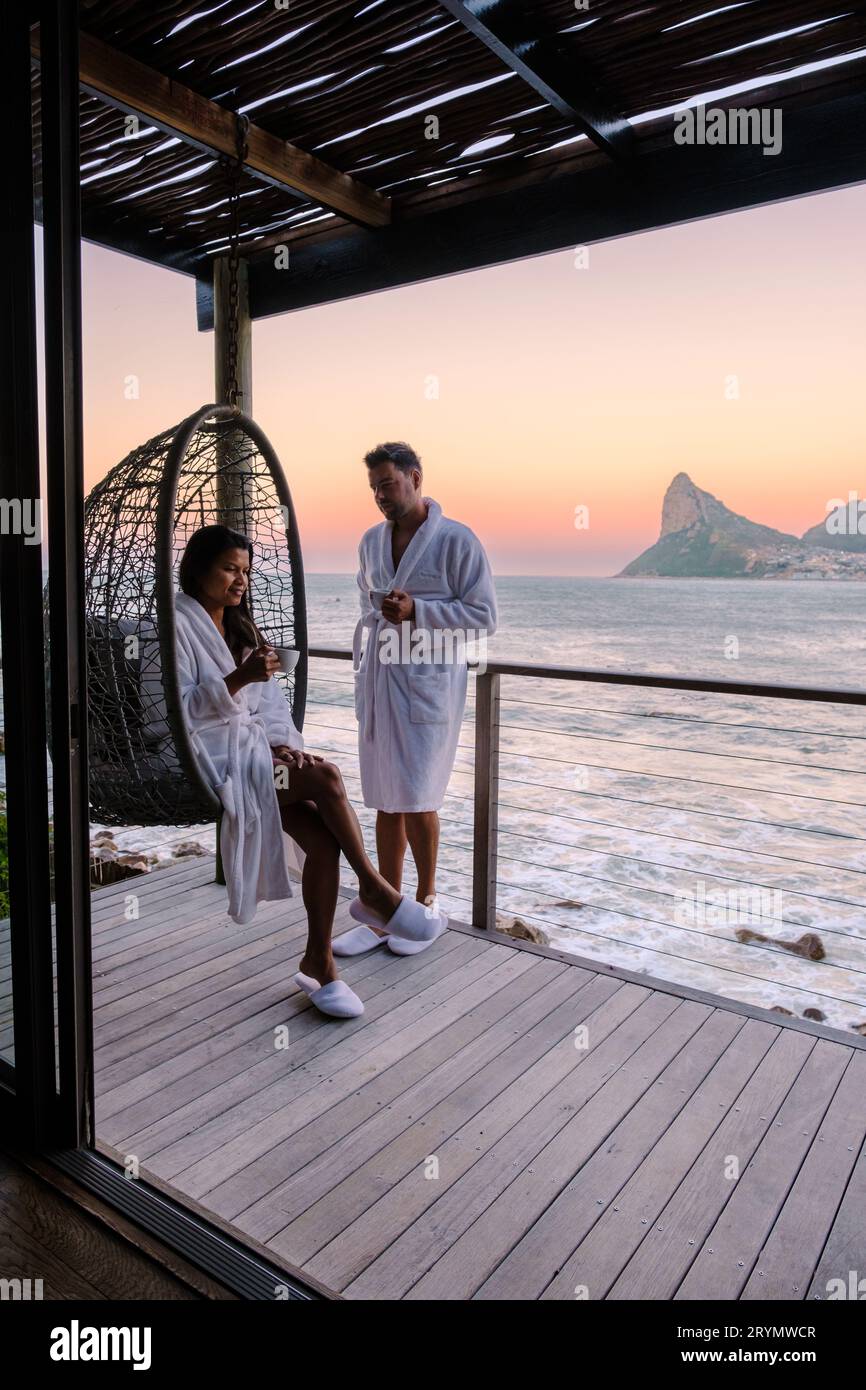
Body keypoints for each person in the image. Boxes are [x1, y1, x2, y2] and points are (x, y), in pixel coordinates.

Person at [172, 524, 440, 1018]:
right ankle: (374, 889)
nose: (240, 581)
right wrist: (237, 679)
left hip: (258, 758)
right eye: (230, 569)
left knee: (320, 836)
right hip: (212, 759)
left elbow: (270, 705)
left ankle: (320, 961)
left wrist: (284, 747)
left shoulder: (240, 628)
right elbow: (174, 712)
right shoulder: (173, 627)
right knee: (328, 779)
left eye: (246, 571)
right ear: (198, 568)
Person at [337, 443, 497, 958]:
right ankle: (388, 910)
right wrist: (385, 613)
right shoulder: (369, 542)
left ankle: (426, 907)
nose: (381, 496)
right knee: (385, 797)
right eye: (373, 488)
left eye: (388, 484)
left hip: (428, 688)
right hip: (382, 683)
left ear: (415, 476)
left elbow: (483, 617)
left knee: (421, 798)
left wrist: (418, 611)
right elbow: (368, 601)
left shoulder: (457, 541)